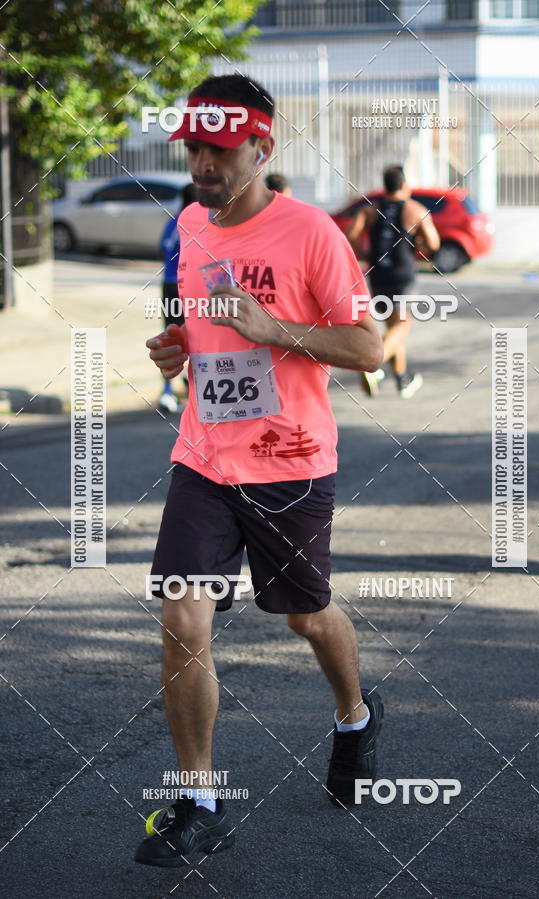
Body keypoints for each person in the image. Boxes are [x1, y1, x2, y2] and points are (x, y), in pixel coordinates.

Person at [135, 73, 385, 868]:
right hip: (205, 454)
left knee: (307, 616)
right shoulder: (190, 227)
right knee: (183, 615)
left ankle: (355, 713)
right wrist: (177, 351)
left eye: (218, 149)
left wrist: (275, 325)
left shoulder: (312, 233)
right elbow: (196, 329)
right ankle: (199, 800)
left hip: (291, 463)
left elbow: (368, 348)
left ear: (261, 147)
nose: (202, 163)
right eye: (194, 149)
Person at [345, 165, 440, 398]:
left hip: (378, 274)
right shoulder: (415, 209)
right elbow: (434, 242)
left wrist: (366, 254)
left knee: (392, 328)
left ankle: (402, 378)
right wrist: (420, 248)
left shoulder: (370, 210)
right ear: (404, 185)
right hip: (402, 274)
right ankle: (373, 365)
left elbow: (350, 235)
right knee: (401, 326)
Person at [157, 182, 197, 413]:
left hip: (167, 284)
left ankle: (167, 390)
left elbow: (161, 248)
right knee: (193, 335)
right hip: (185, 286)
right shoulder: (195, 222)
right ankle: (191, 391)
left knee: (171, 336)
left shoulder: (172, 221)